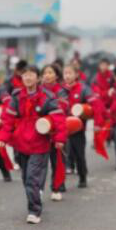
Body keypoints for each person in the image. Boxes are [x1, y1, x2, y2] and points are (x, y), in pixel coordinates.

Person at [0, 65, 67, 224]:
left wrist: (60, 139)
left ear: (38, 78)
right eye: (25, 75)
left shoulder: (47, 97)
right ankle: (36, 194)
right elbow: (8, 120)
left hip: (39, 144)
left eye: (31, 75)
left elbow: (59, 119)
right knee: (25, 178)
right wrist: (2, 138)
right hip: (21, 143)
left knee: (31, 178)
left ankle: (34, 211)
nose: (28, 78)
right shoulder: (17, 96)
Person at [61, 64, 106, 188]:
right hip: (62, 128)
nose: (67, 76)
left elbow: (96, 105)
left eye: (70, 73)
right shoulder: (60, 90)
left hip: (78, 129)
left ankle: (82, 177)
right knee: (61, 155)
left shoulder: (83, 88)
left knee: (79, 154)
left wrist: (97, 123)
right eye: (65, 73)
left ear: (76, 75)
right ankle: (59, 183)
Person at [40, 63, 68, 201]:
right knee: (40, 163)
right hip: (41, 131)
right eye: (45, 73)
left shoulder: (61, 91)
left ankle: (56, 187)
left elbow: (62, 107)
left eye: (50, 72)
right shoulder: (37, 90)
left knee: (57, 161)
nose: (47, 75)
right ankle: (38, 189)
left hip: (57, 129)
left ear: (56, 76)